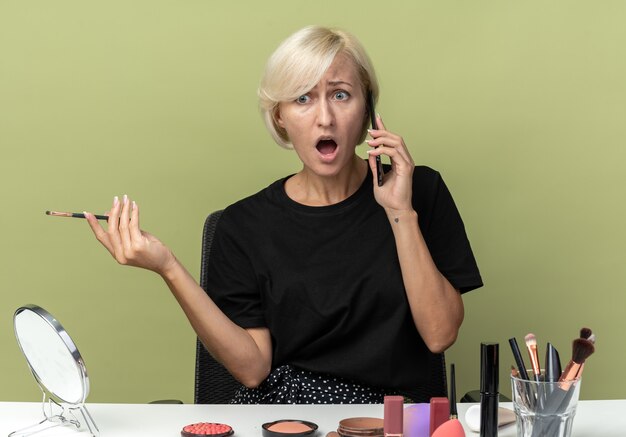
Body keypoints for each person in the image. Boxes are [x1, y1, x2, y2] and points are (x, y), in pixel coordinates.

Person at [85, 25, 482, 404]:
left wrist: (400, 212)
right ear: (280, 117)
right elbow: (253, 370)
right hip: (284, 416)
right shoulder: (242, 226)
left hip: (387, 418)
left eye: (341, 95)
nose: (324, 117)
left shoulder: (419, 191)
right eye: (303, 99)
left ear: (367, 111)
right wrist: (168, 267)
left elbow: (439, 334)